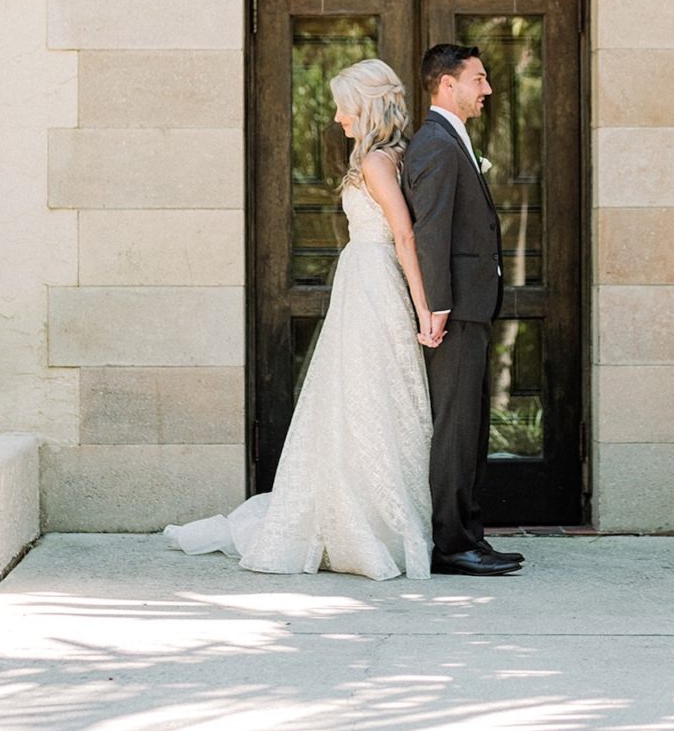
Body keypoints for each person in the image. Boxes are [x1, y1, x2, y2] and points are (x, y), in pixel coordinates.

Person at [165, 58, 437, 580]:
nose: (337, 117)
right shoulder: (395, 155)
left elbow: (405, 235)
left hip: (373, 281)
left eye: (343, 106)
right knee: (364, 393)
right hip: (367, 281)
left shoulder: (379, 163)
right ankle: (372, 514)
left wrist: (424, 307)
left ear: (365, 106)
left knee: (363, 394)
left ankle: (365, 520)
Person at [402, 45, 524, 578]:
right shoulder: (435, 144)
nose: (488, 89)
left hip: (472, 306)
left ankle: (469, 533)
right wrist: (437, 306)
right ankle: (451, 543)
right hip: (453, 312)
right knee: (454, 427)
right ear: (446, 85)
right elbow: (429, 233)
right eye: (478, 78)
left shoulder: (451, 140)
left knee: (470, 425)